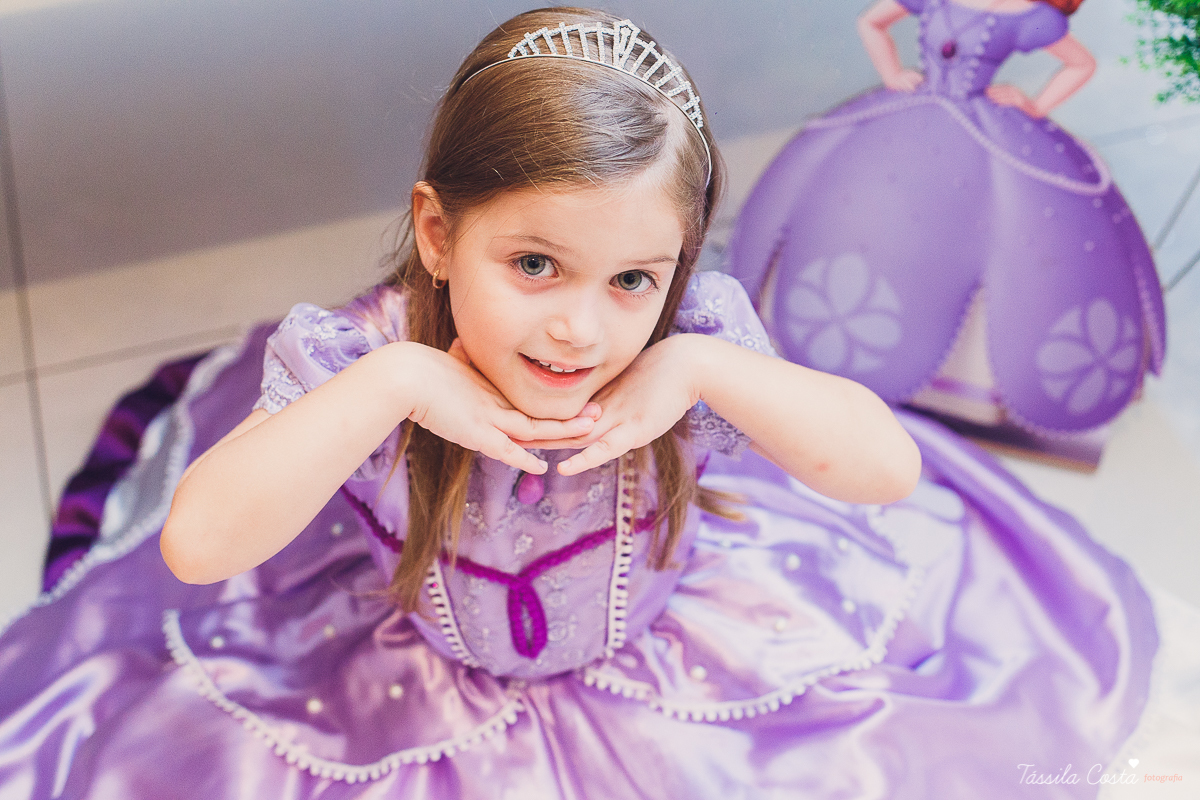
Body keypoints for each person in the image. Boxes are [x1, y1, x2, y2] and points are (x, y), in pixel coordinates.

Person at [0, 7, 1157, 798]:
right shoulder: (367, 354)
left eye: (632, 280)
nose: (579, 328)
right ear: (441, 235)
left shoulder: (685, 343)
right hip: (412, 663)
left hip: (667, 647)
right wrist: (400, 383)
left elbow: (881, 469)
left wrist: (702, 370)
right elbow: (200, 544)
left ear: (677, 267)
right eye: (536, 265)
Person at [727, 0, 1166, 433]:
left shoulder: (1031, 17)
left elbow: (1080, 64)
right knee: (864, 208)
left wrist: (1033, 105)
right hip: (908, 114)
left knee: (1011, 231)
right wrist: (893, 74)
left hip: (983, 129)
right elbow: (872, 22)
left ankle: (946, 395)